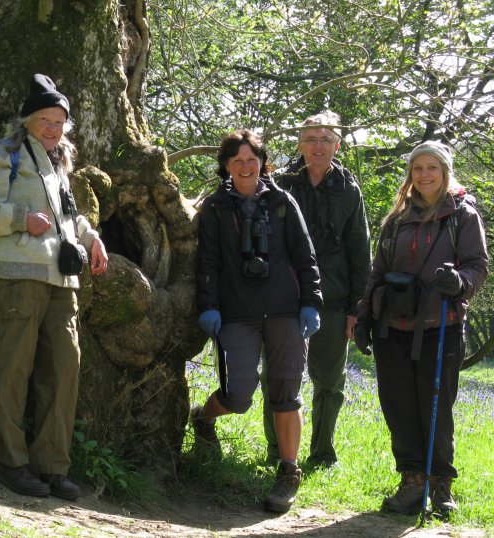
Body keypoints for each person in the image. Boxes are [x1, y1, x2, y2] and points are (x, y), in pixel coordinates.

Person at [0, 74, 109, 501]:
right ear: (26, 120)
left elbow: (67, 218)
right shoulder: (3, 155)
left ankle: (52, 467)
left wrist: (91, 236)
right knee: (15, 368)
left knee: (64, 370)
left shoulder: (59, 163)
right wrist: (19, 218)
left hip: (62, 281)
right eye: (44, 119)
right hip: (16, 273)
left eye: (59, 121)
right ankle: (9, 461)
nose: (52, 127)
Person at [191, 129, 322, 513]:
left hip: (285, 310)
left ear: (263, 163)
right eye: (237, 161)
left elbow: (305, 256)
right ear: (227, 166)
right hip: (237, 312)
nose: (245, 167)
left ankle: (288, 472)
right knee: (240, 394)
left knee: (285, 393)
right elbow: (208, 263)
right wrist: (208, 306)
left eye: (252, 160)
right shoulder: (215, 208)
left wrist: (312, 303)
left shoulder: (283, 201)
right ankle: (201, 417)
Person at [355, 141, 487, 517]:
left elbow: (478, 263)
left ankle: (441, 485)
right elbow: (377, 272)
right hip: (390, 328)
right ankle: (411, 481)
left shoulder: (462, 215)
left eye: (432, 168)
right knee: (398, 408)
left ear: (445, 172)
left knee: (435, 409)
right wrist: (364, 317)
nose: (424, 175)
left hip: (439, 327)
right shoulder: (396, 218)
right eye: (418, 169)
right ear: (410, 174)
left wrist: (460, 281)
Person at [261, 111, 372, 467]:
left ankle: (322, 454)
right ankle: (277, 452)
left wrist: (358, 307)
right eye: (311, 139)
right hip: (284, 299)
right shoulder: (280, 184)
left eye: (326, 139)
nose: (318, 146)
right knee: (278, 378)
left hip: (334, 301)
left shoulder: (349, 189)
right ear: (300, 143)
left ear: (337, 145)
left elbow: (360, 250)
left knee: (329, 381)